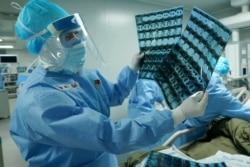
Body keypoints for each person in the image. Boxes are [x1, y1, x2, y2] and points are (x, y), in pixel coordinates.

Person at [9, 1, 208, 166]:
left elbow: (114, 95)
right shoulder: (40, 99)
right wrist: (178, 114)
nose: (78, 43)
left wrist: (132, 70)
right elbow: (107, 134)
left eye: (78, 34)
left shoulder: (83, 76)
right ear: (43, 45)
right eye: (69, 37)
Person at [128, 56, 250, 147]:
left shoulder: (179, 76)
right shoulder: (219, 93)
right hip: (183, 135)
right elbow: (244, 113)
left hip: (158, 130)